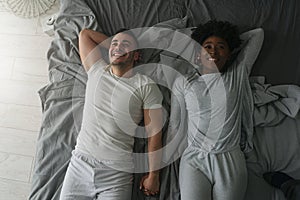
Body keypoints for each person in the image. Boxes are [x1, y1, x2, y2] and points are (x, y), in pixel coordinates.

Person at [59, 28, 163, 199]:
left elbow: (154, 133)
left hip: (117, 172)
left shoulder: (146, 85)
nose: (118, 46)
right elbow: (85, 34)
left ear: (137, 56)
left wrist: (154, 176)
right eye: (114, 43)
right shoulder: (97, 69)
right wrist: (117, 48)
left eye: (125, 44)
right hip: (81, 163)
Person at [167, 20, 264, 200]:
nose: (213, 51)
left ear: (229, 54)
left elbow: (258, 34)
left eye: (220, 47)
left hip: (230, 158)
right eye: (208, 46)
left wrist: (231, 42)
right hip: (194, 158)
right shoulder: (183, 82)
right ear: (197, 55)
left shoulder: (236, 74)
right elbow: (175, 124)